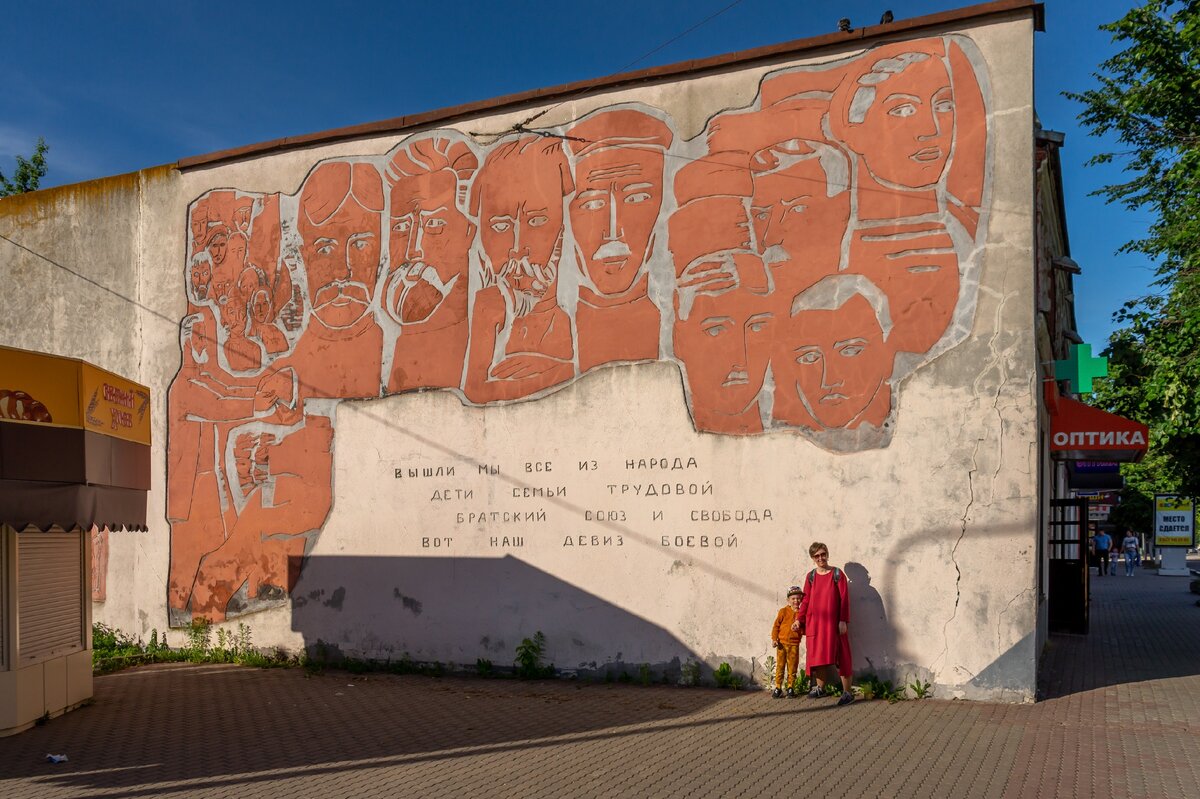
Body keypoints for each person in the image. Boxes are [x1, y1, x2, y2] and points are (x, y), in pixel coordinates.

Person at [795, 542, 855, 705]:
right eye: (817, 556)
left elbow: (844, 599)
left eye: (823, 554)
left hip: (834, 623)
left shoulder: (837, 574)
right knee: (818, 655)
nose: (820, 558)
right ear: (813, 558)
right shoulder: (811, 576)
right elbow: (806, 599)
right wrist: (799, 619)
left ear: (827, 554)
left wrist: (843, 620)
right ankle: (821, 688)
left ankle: (848, 693)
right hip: (815, 623)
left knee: (842, 656)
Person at [770, 585, 804, 698]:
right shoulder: (783, 611)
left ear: (801, 600)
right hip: (781, 644)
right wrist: (774, 639)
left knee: (792, 666)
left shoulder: (801, 614)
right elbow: (776, 626)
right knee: (780, 666)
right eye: (793, 598)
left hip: (794, 644)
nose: (796, 601)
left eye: (798, 598)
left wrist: (799, 628)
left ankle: (790, 687)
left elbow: (804, 629)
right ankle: (778, 687)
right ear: (788, 600)